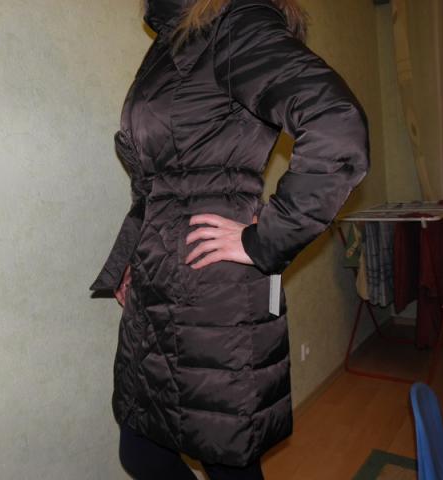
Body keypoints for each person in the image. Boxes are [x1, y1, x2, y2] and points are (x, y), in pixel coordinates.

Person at [89, 0, 371, 478]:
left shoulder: (236, 21)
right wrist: (131, 258)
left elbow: (336, 124)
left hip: (213, 293)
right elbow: (156, 182)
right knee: (141, 450)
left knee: (225, 457)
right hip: (156, 289)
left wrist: (265, 238)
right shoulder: (173, 40)